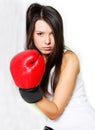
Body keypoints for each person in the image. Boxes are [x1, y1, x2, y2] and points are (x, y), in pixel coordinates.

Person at [10, 3, 95, 130]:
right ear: (31, 34)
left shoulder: (69, 59)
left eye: (52, 33)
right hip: (55, 126)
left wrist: (29, 92)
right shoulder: (34, 62)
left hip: (83, 125)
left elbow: (55, 111)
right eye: (40, 34)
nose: (47, 41)